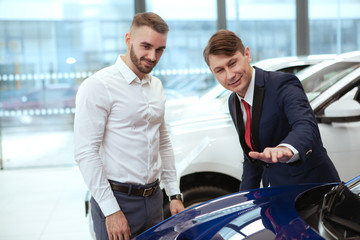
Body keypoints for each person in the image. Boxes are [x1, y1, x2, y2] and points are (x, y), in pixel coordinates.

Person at [74, 12, 184, 240]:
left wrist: (174, 193)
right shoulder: (98, 85)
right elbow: (86, 153)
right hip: (117, 200)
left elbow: (163, 140)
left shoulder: (156, 86)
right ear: (128, 39)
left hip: (154, 199)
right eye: (146, 46)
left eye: (160, 49)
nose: (152, 56)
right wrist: (111, 211)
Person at [203, 29, 340, 191]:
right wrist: (244, 201)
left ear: (247, 54)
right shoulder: (233, 101)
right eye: (220, 70)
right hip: (277, 193)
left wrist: (286, 148)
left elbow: (305, 125)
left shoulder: (282, 83)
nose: (230, 75)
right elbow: (251, 157)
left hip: (314, 191)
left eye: (233, 63)